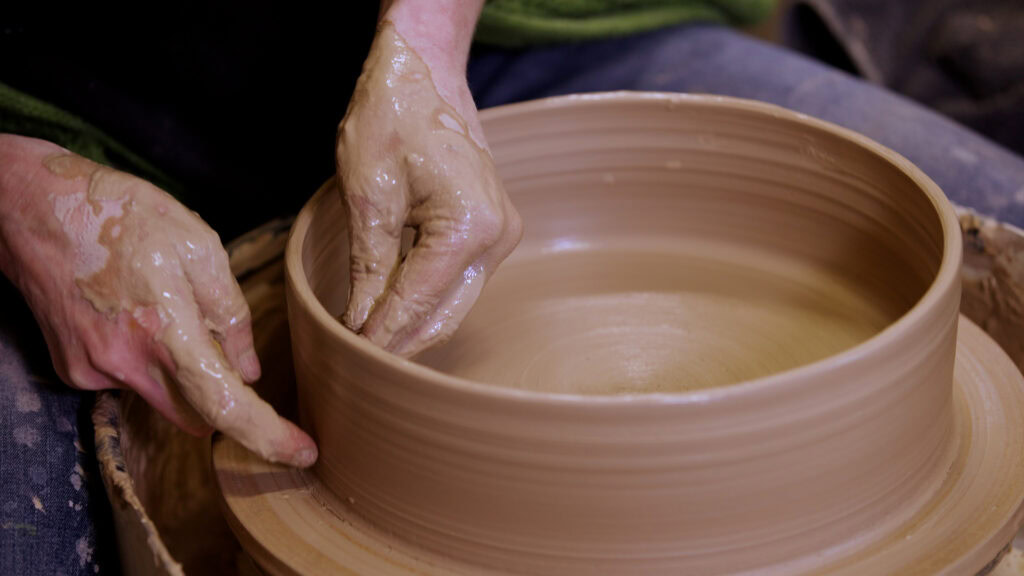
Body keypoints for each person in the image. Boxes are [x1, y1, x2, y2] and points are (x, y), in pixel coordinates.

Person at [4, 0, 1024, 573]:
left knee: (995, 207)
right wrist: (20, 193)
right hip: (69, 137)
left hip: (475, 46)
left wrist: (426, 40)